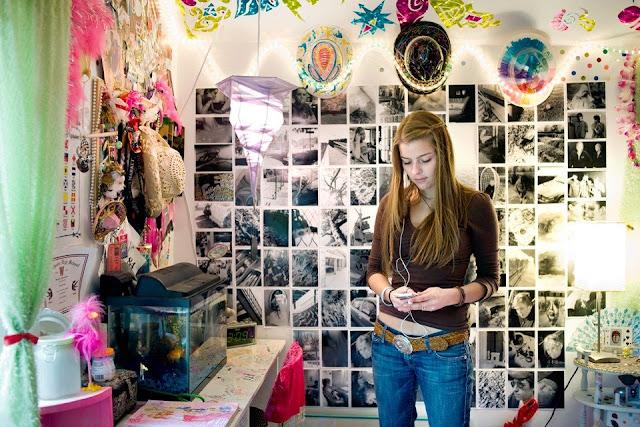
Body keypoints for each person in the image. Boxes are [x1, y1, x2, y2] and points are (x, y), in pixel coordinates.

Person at [366, 111, 499, 427]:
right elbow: (373, 271)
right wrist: (389, 293)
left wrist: (452, 296)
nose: (416, 171)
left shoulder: (475, 205)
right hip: (388, 345)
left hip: (444, 349)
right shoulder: (392, 203)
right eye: (407, 162)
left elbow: (491, 279)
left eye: (425, 160)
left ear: (443, 153)